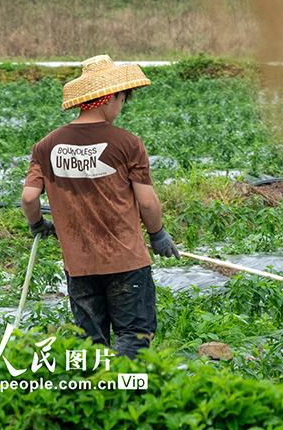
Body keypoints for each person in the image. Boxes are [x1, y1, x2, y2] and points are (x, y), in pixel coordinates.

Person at [21, 55, 179, 360]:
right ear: (110, 97)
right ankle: (121, 384)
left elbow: (29, 199)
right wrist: (157, 234)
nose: (121, 107)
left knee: (91, 344)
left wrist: (37, 224)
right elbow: (147, 201)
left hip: (79, 265)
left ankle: (97, 386)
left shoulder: (46, 146)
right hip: (126, 262)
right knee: (135, 335)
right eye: (122, 100)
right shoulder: (128, 143)